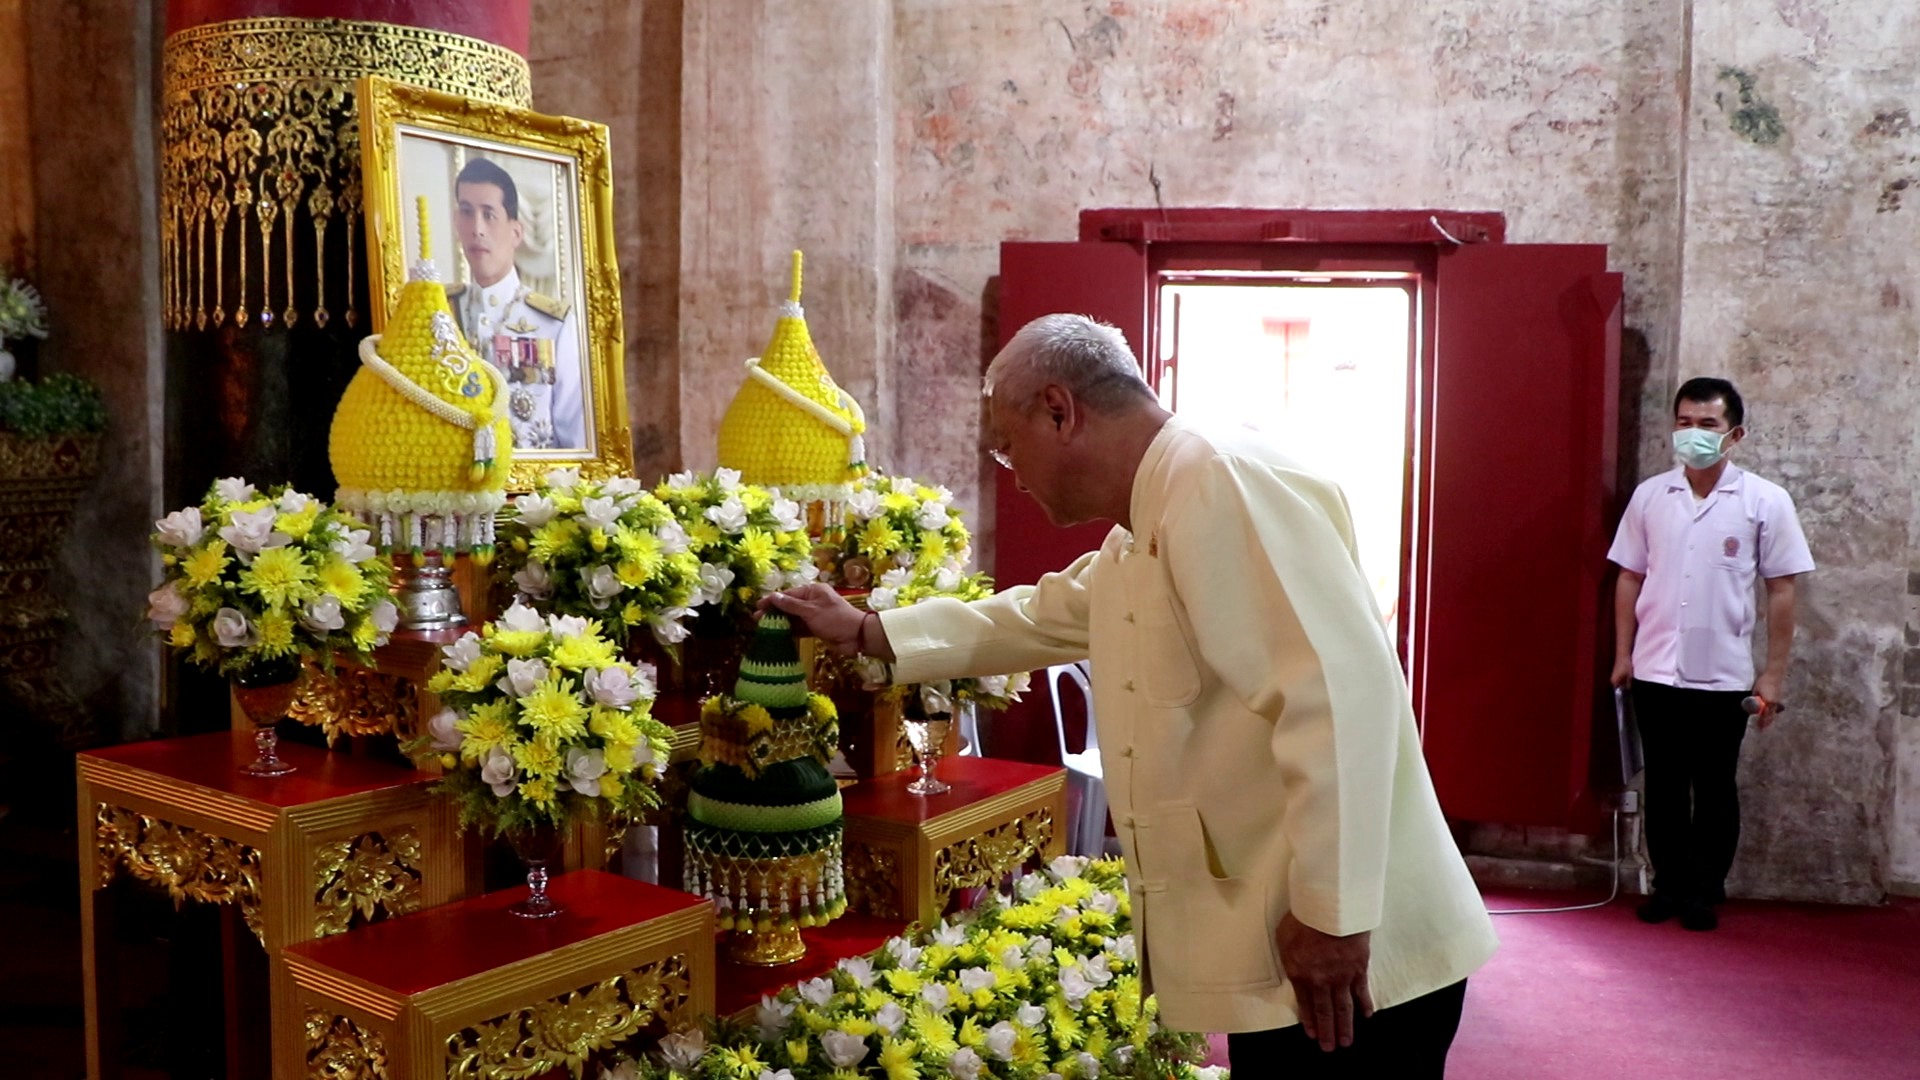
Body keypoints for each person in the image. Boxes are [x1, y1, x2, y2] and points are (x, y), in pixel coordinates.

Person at [768, 313, 1497, 1077]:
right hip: (1292, 936)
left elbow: (1339, 698)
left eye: (1008, 445)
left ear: (1060, 410)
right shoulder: (1152, 515)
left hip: (1354, 954)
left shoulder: (1218, 481)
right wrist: (867, 630)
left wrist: (1333, 915)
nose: (1009, 471)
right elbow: (1044, 614)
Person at [1608, 377, 1813, 932]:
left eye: (1707, 425)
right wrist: (1623, 653)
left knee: (1715, 786)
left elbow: (1783, 589)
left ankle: (1704, 888)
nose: (1692, 435)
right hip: (1654, 667)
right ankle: (1668, 885)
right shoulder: (1652, 495)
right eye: (1684, 423)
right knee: (1665, 785)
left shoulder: (1764, 501)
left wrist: (1772, 675)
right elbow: (1629, 576)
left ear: (1734, 434)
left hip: (1723, 676)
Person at [445, 156, 586, 450]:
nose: (477, 229)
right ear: (457, 223)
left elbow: (576, 438)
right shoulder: (438, 311)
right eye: (467, 212)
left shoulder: (553, 323)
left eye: (489, 214)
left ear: (516, 232)